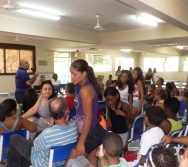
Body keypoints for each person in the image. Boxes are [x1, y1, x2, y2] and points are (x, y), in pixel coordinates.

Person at [6, 97, 78, 167]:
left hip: (43, 163)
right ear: (67, 110)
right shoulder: (74, 127)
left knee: (14, 138)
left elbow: (35, 147)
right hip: (61, 162)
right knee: (38, 133)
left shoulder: (47, 134)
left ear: (50, 114)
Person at [68, 59, 104, 167]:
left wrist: (81, 142)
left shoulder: (86, 90)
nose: (72, 77)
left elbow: (88, 117)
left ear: (83, 74)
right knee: (91, 163)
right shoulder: (83, 87)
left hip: (90, 134)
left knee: (70, 163)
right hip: (90, 132)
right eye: (71, 74)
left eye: (75, 74)